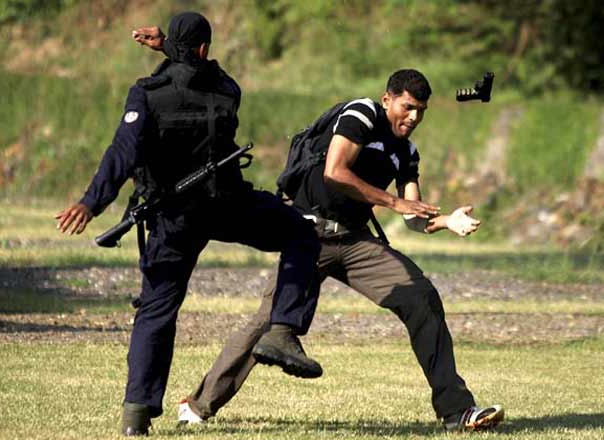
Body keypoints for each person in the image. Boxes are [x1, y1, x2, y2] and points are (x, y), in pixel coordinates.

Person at [168, 69, 505, 432]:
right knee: (268, 323)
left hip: (355, 240)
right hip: (307, 234)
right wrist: (392, 202)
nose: (414, 117)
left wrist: (446, 221)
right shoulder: (362, 114)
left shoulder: (406, 152)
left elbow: (412, 215)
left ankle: (457, 411)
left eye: (421, 111)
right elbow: (335, 172)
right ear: (387, 98)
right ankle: (198, 406)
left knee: (422, 298)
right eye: (407, 107)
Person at [56, 11, 325, 436]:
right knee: (301, 233)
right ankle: (282, 329)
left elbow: (121, 154)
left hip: (172, 217)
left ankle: (137, 414)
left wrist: (92, 202)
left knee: (157, 309)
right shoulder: (228, 91)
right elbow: (204, 72)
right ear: (203, 49)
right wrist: (171, 46)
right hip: (226, 205)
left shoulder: (147, 94)